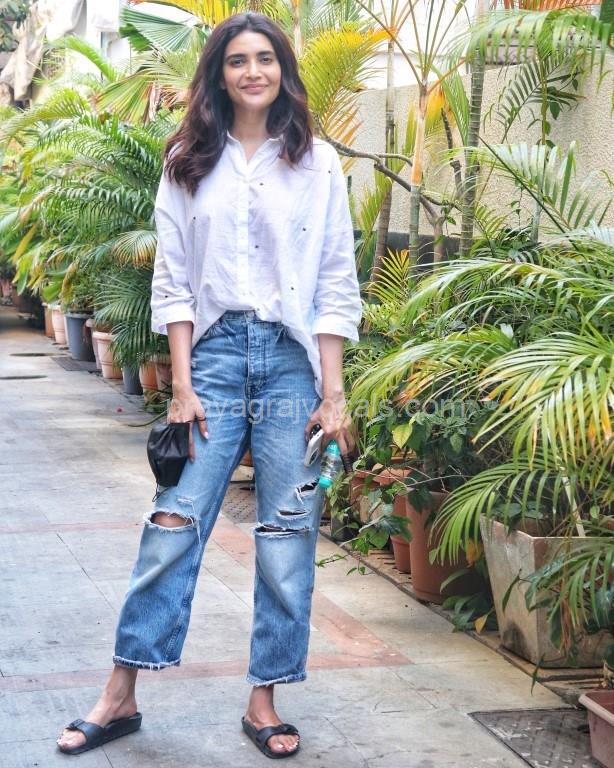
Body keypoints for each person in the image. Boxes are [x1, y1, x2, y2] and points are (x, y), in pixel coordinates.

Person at [56, 11, 361, 761]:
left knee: (287, 536)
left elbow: (334, 279)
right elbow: (173, 280)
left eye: (265, 58)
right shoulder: (188, 159)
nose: (253, 71)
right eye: (237, 60)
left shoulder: (318, 164)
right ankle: (120, 693)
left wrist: (333, 393)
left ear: (284, 70)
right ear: (219, 75)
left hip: (291, 362)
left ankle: (265, 699)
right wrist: (182, 385)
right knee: (173, 520)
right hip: (215, 360)